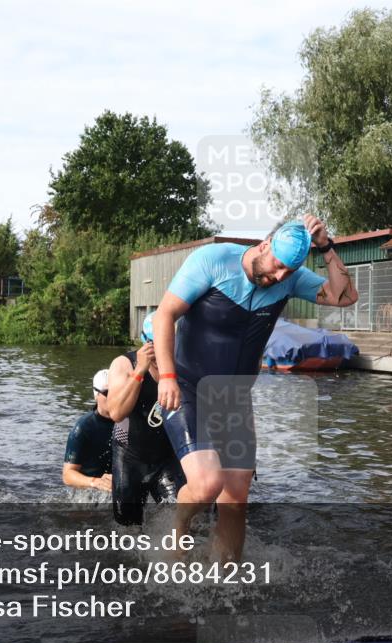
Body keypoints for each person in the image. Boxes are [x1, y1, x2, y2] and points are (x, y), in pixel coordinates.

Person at [153, 215, 358, 559]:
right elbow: (164, 315)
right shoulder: (213, 261)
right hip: (188, 387)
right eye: (276, 267)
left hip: (234, 396)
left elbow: (345, 296)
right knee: (206, 486)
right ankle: (180, 526)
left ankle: (227, 578)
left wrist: (326, 246)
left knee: (236, 496)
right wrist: (169, 376)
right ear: (264, 246)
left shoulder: (288, 279)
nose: (278, 278)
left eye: (287, 274)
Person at [107, 312, 186, 526]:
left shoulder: (184, 365)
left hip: (167, 456)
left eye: (168, 346)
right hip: (129, 454)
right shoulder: (124, 364)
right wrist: (140, 371)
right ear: (145, 343)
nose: (163, 354)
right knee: (127, 524)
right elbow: (116, 412)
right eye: (156, 347)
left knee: (181, 516)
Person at [62, 369, 114, 492]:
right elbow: (67, 475)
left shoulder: (130, 421)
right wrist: (95, 482)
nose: (114, 396)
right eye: (107, 392)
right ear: (96, 395)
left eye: (117, 391)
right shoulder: (83, 427)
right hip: (90, 491)